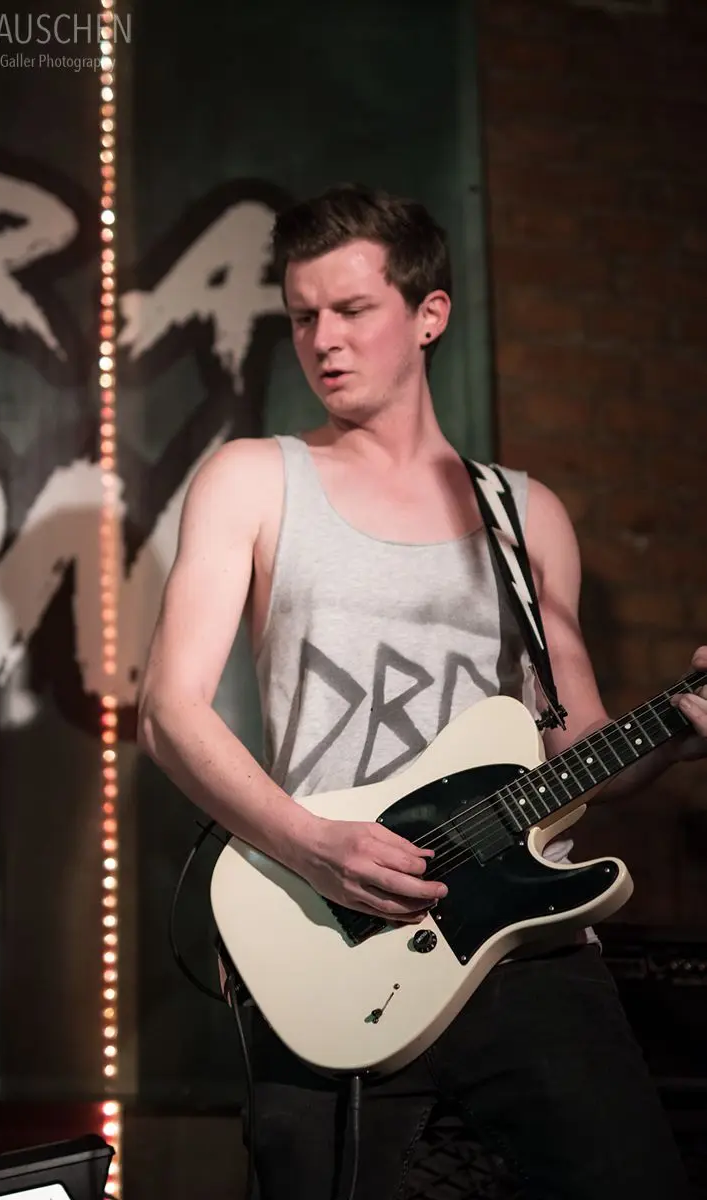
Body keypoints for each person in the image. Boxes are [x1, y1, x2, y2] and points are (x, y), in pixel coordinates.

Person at [138, 184, 707, 1200]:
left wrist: (676, 730)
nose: (322, 339)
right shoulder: (254, 478)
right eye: (302, 315)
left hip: (522, 940)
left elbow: (577, 748)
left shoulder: (525, 513)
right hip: (329, 936)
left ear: (428, 313)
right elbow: (168, 712)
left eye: (352, 309)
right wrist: (310, 842)